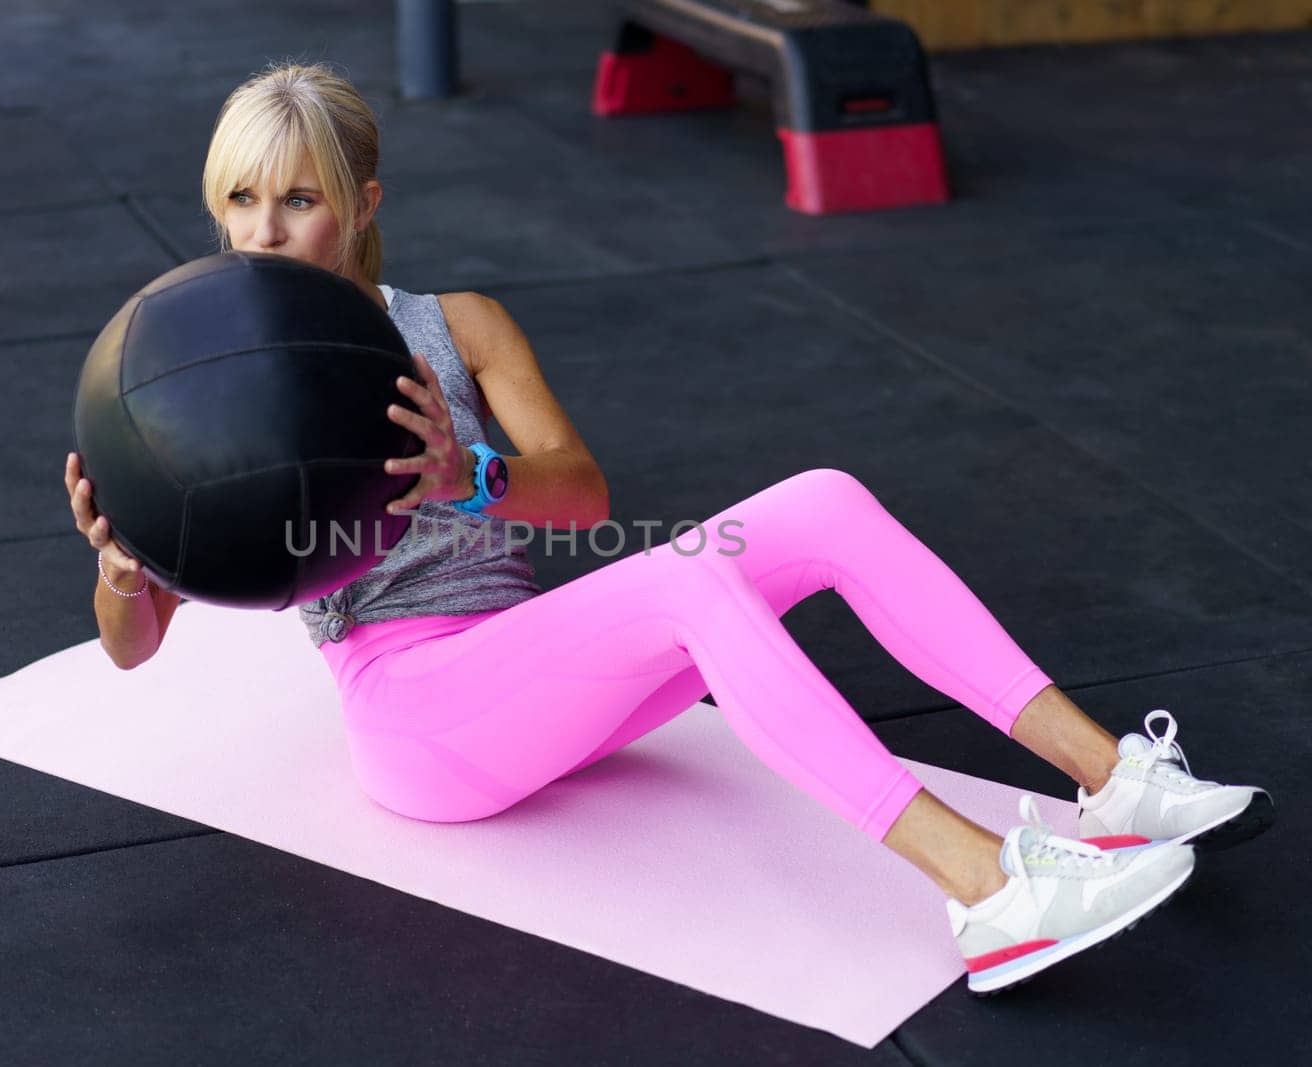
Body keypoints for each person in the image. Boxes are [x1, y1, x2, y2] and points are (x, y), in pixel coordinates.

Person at [63, 62, 1272, 994]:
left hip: (540, 669)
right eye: (239, 200)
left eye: (298, 197)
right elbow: (134, 642)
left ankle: (1108, 780)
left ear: (362, 203)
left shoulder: (456, 326)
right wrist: (124, 563)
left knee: (821, 498)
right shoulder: (199, 380)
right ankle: (990, 889)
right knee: (694, 584)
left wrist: (465, 479)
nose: (264, 230)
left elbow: (580, 495)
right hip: (417, 722)